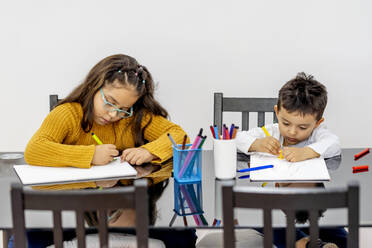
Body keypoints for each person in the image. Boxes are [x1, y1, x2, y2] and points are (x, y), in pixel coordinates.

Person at [24, 54, 188, 227]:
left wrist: (149, 151)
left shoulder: (134, 118)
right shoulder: (68, 113)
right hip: (72, 190)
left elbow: (180, 136)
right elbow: (34, 150)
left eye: (124, 109)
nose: (113, 114)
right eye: (110, 102)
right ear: (95, 86)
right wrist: (90, 154)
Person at [235, 72, 345, 248]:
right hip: (277, 205)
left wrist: (308, 151)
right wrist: (256, 144)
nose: (292, 132)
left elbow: (334, 144)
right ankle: (304, 243)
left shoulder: (318, 135)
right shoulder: (270, 132)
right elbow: (237, 138)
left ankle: (325, 242)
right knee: (265, 219)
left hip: (311, 203)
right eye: (286, 123)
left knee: (335, 231)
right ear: (277, 112)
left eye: (302, 127)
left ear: (317, 123)